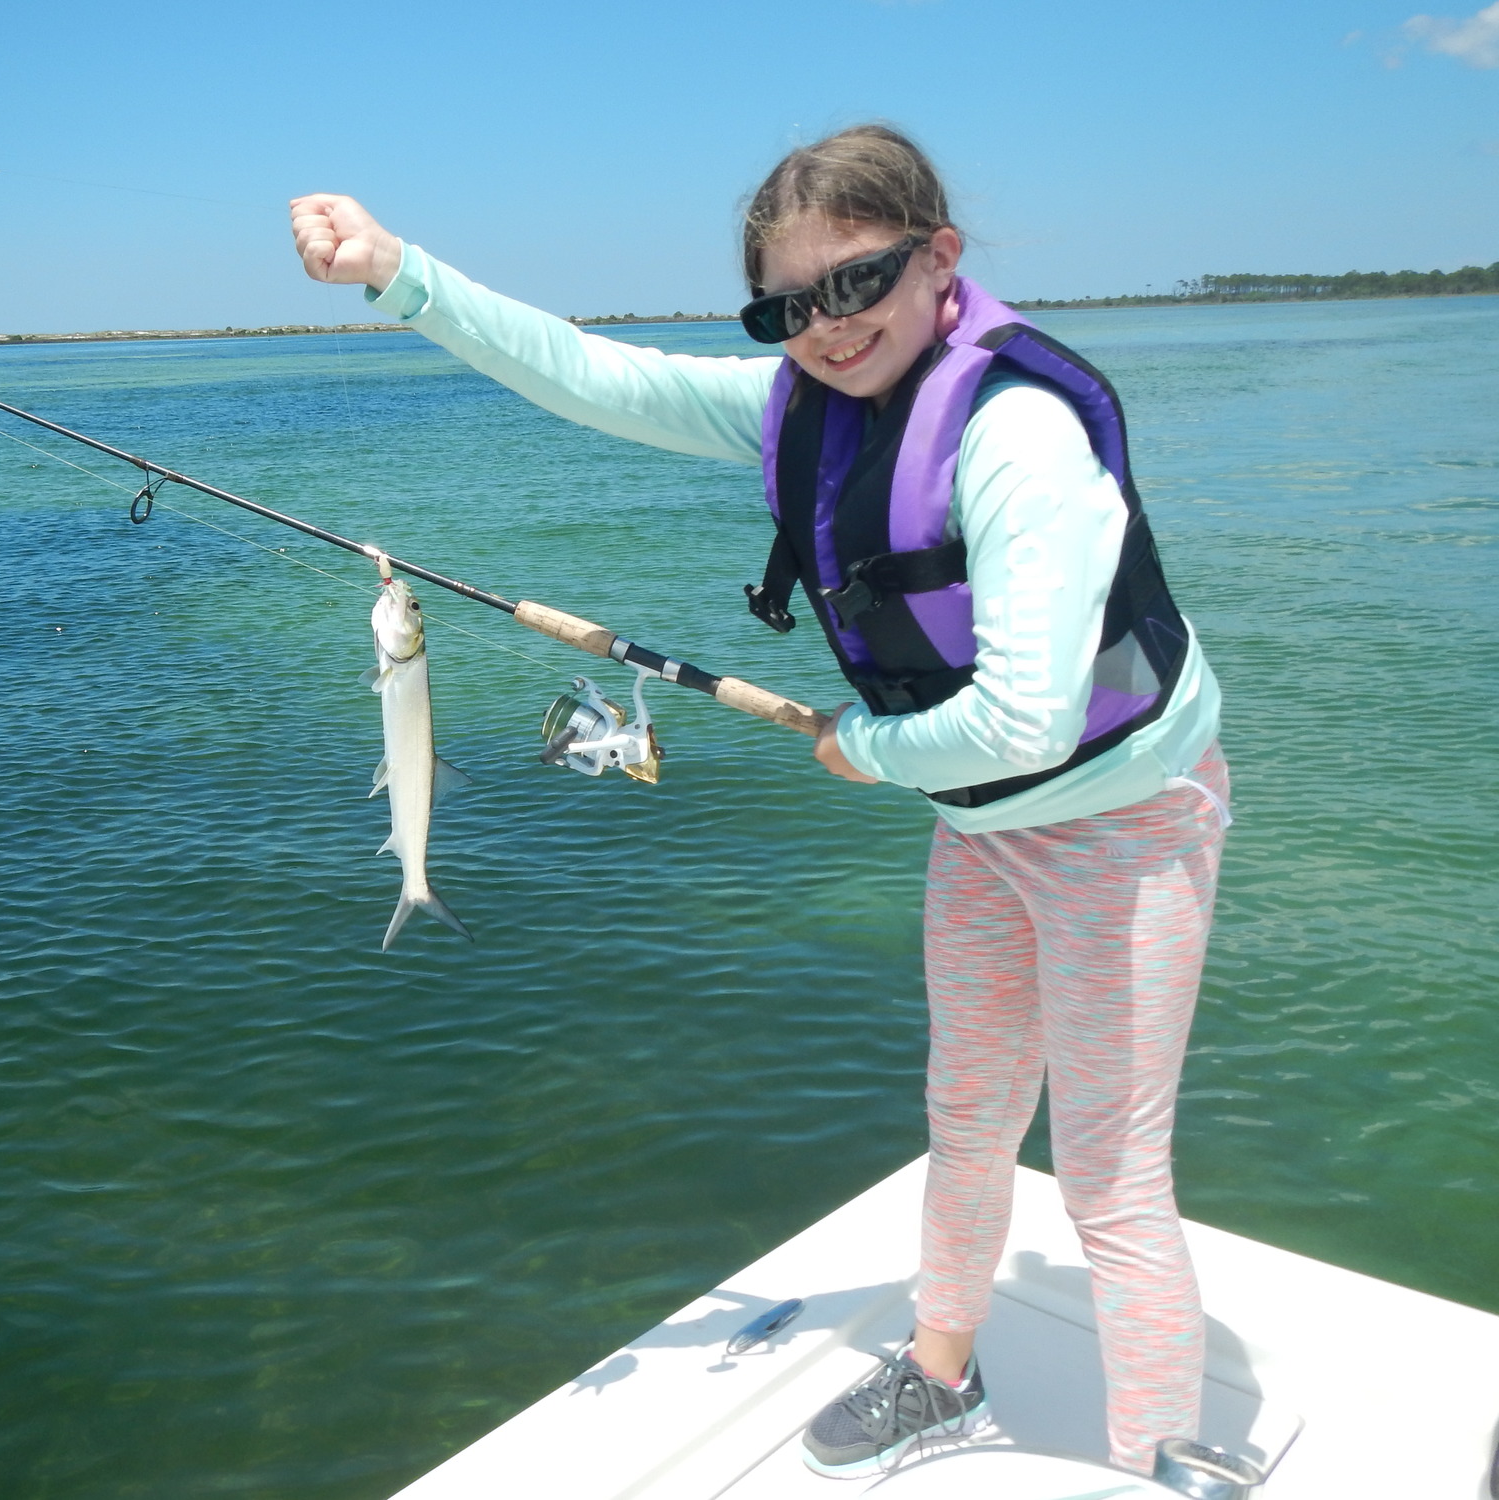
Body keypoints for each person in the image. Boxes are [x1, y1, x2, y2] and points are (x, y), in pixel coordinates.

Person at [288, 123, 1228, 1480]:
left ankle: (1162, 1454)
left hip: (1122, 831)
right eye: (787, 306)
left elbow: (1026, 714)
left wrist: (865, 749)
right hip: (980, 829)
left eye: (858, 282)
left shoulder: (1017, 436)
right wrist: (398, 272)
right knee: (964, 1126)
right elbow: (594, 373)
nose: (828, 327)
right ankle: (943, 1373)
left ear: (940, 256)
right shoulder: (803, 399)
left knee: (1108, 1179)